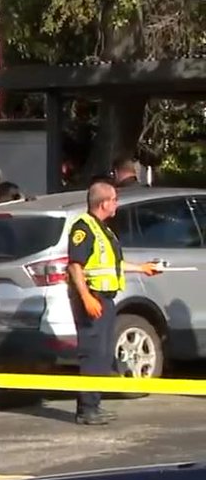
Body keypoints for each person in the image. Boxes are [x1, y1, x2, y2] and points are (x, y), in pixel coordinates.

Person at [66, 181, 162, 425]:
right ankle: (86, 409)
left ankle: (94, 405)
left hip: (106, 299)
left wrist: (142, 268)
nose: (117, 204)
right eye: (114, 200)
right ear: (103, 203)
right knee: (93, 353)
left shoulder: (104, 230)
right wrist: (86, 297)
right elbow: (75, 266)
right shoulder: (83, 228)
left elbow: (113, 265)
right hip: (93, 298)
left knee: (104, 352)